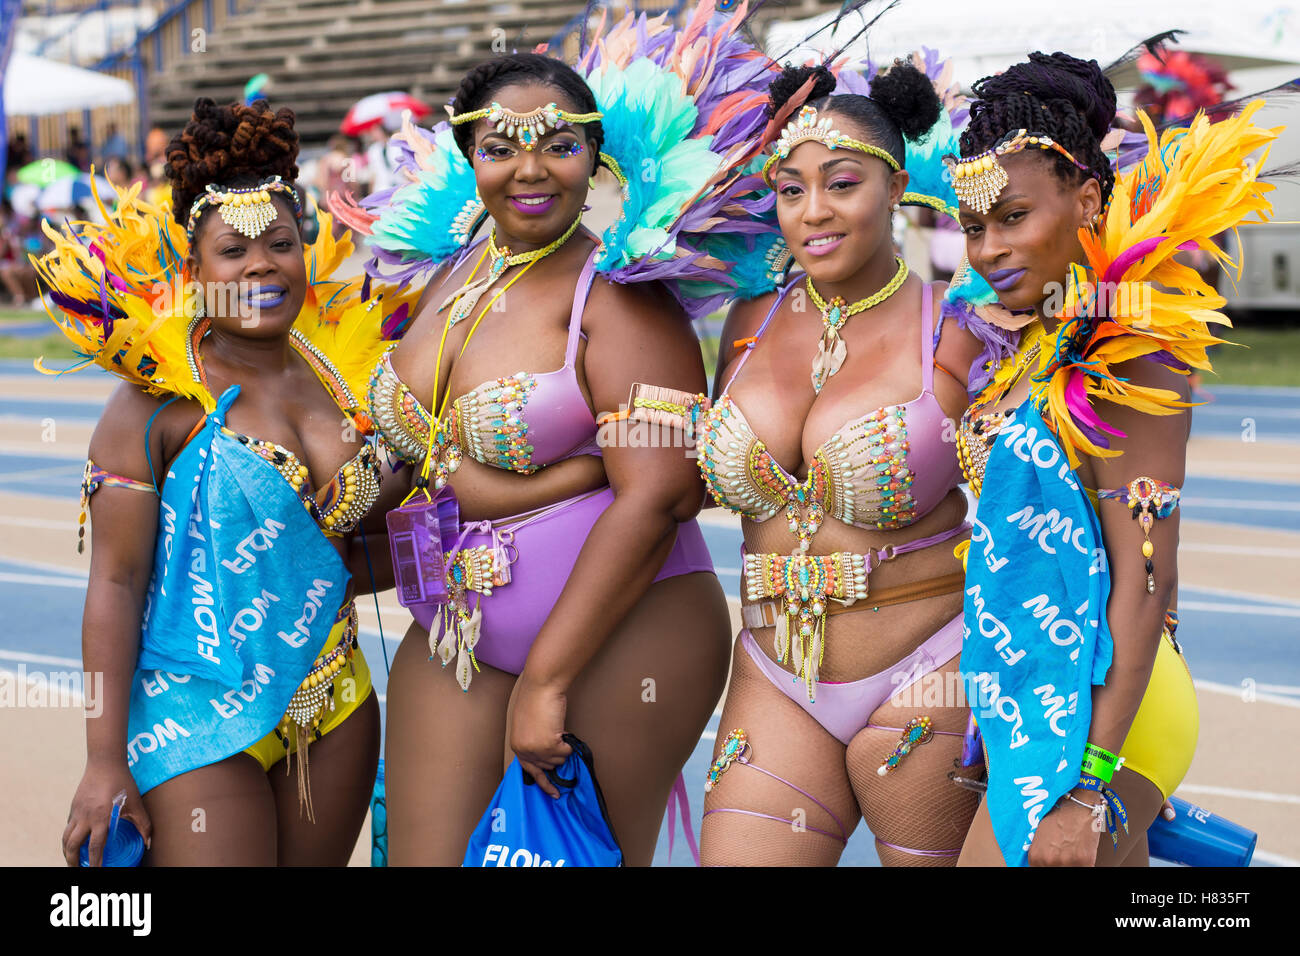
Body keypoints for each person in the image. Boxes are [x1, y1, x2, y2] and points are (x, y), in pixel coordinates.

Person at [342, 11, 781, 862]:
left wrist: (546, 683)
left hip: (625, 636)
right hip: (459, 628)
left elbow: (659, 496)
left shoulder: (620, 294)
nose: (530, 170)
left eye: (558, 146)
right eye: (501, 148)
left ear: (597, 156)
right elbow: (416, 453)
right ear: (470, 160)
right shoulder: (450, 274)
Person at [40, 97, 410, 866]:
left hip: (333, 697)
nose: (260, 266)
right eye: (232, 251)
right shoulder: (160, 398)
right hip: (194, 704)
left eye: (279, 243)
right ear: (194, 269)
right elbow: (115, 579)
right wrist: (104, 760)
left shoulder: (349, 375)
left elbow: (340, 559)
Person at [949, 52, 1277, 866]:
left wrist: (1087, 781)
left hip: (1102, 717)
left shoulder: (1131, 349)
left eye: (1015, 216)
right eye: (974, 225)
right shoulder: (1035, 335)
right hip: (1041, 695)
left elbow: (1150, 576)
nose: (990, 247)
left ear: (1090, 199)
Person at [696, 60, 997, 866]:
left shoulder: (959, 326)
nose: (813, 213)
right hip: (772, 675)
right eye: (791, 190)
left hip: (928, 671)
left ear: (896, 185)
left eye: (841, 184)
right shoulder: (748, 323)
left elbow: (1024, 509)